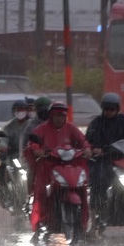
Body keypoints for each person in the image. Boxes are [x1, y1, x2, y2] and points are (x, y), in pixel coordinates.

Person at [26, 101, 92, 237]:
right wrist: (37, 150)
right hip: (48, 167)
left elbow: (83, 141)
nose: (58, 119)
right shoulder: (42, 128)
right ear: (51, 115)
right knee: (41, 194)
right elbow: (33, 143)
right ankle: (40, 224)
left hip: (70, 167)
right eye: (56, 115)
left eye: (61, 116)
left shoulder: (71, 128)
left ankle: (82, 224)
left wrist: (86, 149)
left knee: (82, 189)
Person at [85, 92, 124, 214]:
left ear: (117, 109)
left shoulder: (123, 121)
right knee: (99, 181)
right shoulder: (97, 122)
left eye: (111, 109)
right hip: (103, 160)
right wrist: (96, 148)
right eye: (106, 109)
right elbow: (90, 138)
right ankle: (99, 209)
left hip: (122, 160)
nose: (108, 112)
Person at [0, 99, 30, 205]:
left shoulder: (31, 125)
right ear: (14, 112)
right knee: (2, 172)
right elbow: (3, 139)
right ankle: (6, 194)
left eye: (23, 110)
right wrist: (3, 147)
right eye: (18, 110)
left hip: (29, 157)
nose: (20, 112)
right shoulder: (9, 127)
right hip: (13, 156)